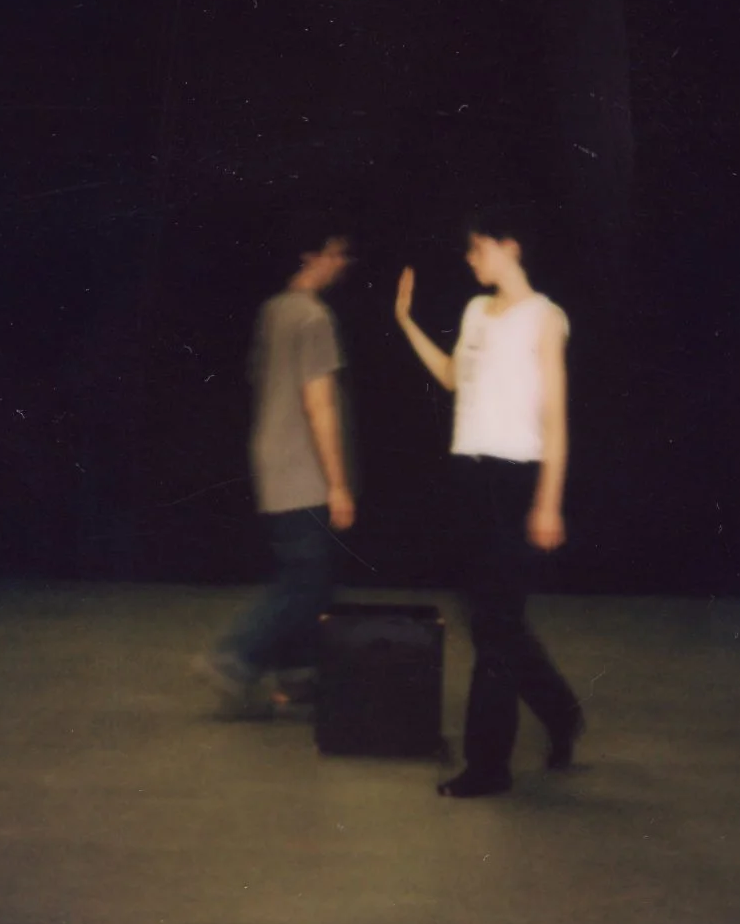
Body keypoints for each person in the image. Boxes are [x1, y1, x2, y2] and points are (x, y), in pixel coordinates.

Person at [394, 210, 584, 796]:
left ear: (510, 246)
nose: (471, 261)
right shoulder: (475, 312)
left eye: (479, 249)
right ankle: (560, 712)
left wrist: (549, 501)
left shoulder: (545, 318)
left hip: (515, 478)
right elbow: (454, 377)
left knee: (497, 627)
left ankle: (488, 766)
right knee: (495, 624)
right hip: (468, 477)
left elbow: (555, 416)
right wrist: (405, 321)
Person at [198, 219, 356, 713]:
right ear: (311, 257)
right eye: (335, 253)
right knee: (305, 581)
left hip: (269, 455)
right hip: (301, 465)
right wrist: (338, 483)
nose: (342, 264)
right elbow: (319, 404)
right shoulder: (314, 318)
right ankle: (234, 655)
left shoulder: (272, 311)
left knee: (307, 573)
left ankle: (299, 677)